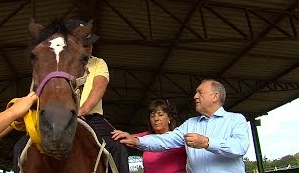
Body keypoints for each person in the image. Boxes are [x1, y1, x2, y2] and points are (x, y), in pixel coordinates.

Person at [112, 79, 250, 173]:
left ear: (215, 96)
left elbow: (240, 146)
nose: (195, 96)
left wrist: (207, 142)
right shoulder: (190, 124)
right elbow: (166, 139)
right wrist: (137, 140)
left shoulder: (235, 120)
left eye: (200, 92)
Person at [66, 20, 130, 173]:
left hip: (91, 118)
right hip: (63, 118)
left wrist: (81, 111)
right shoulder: (61, 64)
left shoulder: (99, 63)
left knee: (118, 147)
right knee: (21, 147)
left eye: (90, 44)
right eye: (85, 44)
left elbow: (98, 88)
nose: (89, 48)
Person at [113, 99, 186, 173]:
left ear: (169, 118)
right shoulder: (146, 137)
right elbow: (128, 139)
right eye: (152, 116)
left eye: (160, 115)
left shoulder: (178, 136)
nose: (156, 119)